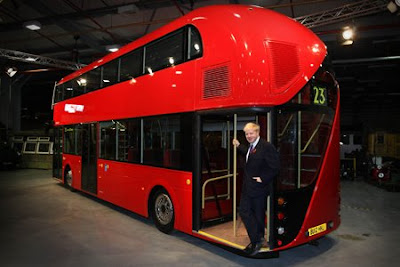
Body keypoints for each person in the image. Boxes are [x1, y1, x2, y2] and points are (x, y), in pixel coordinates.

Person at [232, 122, 280, 256]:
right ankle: (257, 238)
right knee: (244, 211)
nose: (248, 136)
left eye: (251, 133)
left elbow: (275, 166)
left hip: (259, 188)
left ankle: (257, 241)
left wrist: (263, 178)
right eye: (246, 134)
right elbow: (249, 154)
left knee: (258, 215)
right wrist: (238, 145)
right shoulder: (251, 146)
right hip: (248, 187)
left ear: (258, 132)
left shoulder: (266, 147)